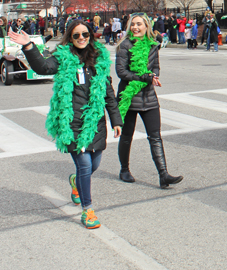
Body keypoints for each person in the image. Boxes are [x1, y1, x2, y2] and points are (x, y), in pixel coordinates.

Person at [8, 20, 123, 229]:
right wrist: (28, 46)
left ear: (91, 36)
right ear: (70, 37)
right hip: (71, 122)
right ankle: (88, 210)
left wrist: (116, 120)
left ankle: (75, 181)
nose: (81, 39)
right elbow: (42, 67)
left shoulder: (100, 59)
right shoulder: (62, 57)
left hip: (95, 121)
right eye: (76, 35)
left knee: (93, 165)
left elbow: (108, 93)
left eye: (85, 35)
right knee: (85, 165)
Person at [115, 12, 183, 188]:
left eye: (139, 24)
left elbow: (156, 67)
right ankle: (124, 170)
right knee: (127, 136)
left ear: (146, 27)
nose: (135, 27)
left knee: (155, 136)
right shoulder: (124, 45)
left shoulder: (153, 46)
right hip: (129, 96)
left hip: (149, 96)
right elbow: (121, 72)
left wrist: (154, 76)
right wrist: (145, 77)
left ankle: (163, 174)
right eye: (133, 24)